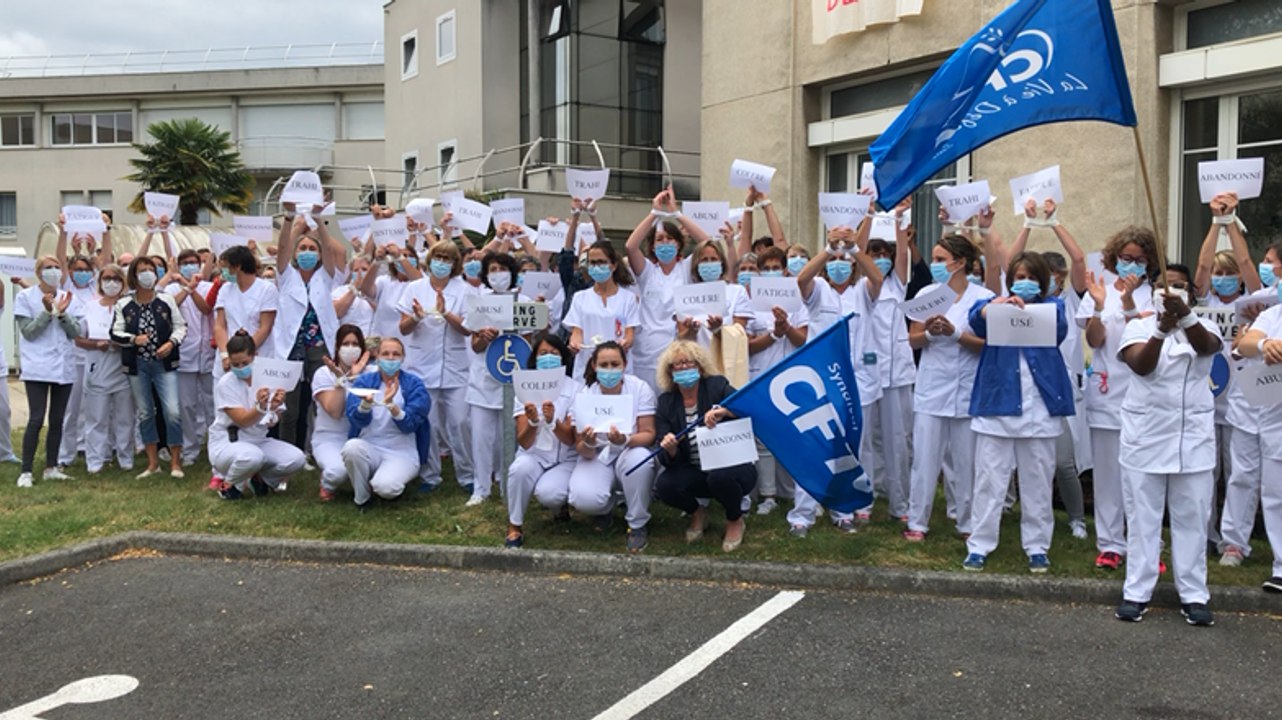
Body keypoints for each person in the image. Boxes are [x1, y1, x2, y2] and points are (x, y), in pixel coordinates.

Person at [1114, 286, 1222, 626]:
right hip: (1146, 438)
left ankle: (1194, 595)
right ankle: (1137, 591)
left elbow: (1207, 348)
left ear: (1188, 296)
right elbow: (1141, 366)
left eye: (1177, 290)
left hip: (1192, 440)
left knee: (1192, 518)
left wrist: (1186, 317)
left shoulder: (1206, 327)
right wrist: (1161, 329)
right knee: (1142, 518)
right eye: (1164, 290)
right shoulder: (1138, 329)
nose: (1170, 296)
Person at [963, 252, 1074, 572]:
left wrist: (1028, 310)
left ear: (1043, 281)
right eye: (1019, 277)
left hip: (1039, 409)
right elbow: (975, 321)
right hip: (998, 405)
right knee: (989, 479)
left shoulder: (1053, 307)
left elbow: (1059, 329)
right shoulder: (995, 304)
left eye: (1031, 278)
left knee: (1038, 480)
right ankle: (980, 543)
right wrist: (991, 308)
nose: (1024, 283)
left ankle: (1037, 545)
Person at [792, 220, 883, 535]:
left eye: (845, 261)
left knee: (849, 447)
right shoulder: (819, 291)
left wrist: (854, 247)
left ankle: (843, 509)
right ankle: (803, 513)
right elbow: (801, 278)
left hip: (856, 382)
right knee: (814, 445)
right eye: (834, 261)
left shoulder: (862, 293)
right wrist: (829, 248)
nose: (839, 265)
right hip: (821, 381)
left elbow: (877, 277)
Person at [1077, 226, 1159, 570]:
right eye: (1126, 258)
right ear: (1114, 258)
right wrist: (1098, 308)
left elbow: (1146, 340)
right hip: (1108, 396)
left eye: (1140, 260)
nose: (1132, 265)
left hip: (1145, 397)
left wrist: (1128, 304)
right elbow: (1095, 340)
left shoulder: (1156, 296)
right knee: (1109, 474)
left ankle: (1146, 546)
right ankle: (1110, 543)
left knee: (1143, 477)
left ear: (1150, 263)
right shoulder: (1100, 291)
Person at [903, 231, 992, 542]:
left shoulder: (982, 297)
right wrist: (929, 333)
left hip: (968, 388)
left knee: (966, 463)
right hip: (932, 387)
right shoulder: (928, 292)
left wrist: (955, 334)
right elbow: (911, 338)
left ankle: (966, 522)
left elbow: (988, 345)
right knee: (925, 460)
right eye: (935, 258)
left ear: (960, 263)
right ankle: (918, 521)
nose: (936, 264)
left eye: (941, 259)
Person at [654, 340, 756, 552]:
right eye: (677, 364)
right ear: (670, 371)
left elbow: (749, 407)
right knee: (664, 486)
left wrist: (725, 412)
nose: (683, 368)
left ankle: (735, 519)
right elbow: (664, 455)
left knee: (719, 477)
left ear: (700, 367)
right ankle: (698, 513)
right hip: (695, 470)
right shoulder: (666, 402)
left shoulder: (717, 386)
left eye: (689, 363)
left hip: (733, 468)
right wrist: (670, 448)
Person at [398, 239, 474, 494]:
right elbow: (403, 328)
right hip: (422, 365)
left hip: (456, 366)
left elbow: (468, 328)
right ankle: (430, 475)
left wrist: (447, 314)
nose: (442, 263)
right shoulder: (414, 288)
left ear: (454, 264)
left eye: (448, 259)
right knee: (427, 422)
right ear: (429, 260)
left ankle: (467, 474)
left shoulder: (465, 290)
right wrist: (417, 317)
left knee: (460, 422)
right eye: (438, 257)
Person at [568, 342, 657, 552]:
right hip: (597, 454)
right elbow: (580, 447)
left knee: (640, 462)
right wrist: (588, 442)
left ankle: (637, 523)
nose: (609, 370)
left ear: (625, 364)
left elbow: (649, 434)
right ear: (594, 365)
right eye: (604, 364)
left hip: (630, 449)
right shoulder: (584, 395)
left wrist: (624, 440)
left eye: (615, 364)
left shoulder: (639, 388)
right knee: (583, 498)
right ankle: (605, 509)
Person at [273, 207, 348, 451]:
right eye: (302, 249)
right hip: (291, 348)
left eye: (311, 249)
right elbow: (283, 248)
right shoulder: (286, 276)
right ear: (295, 254)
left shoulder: (325, 276)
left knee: (321, 403)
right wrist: (288, 219)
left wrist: (318, 221)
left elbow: (330, 249)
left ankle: (320, 453)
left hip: (319, 347)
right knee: (290, 408)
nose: (307, 252)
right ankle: (287, 456)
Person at [625, 187, 712, 391]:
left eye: (670, 239)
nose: (665, 243)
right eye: (659, 239)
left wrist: (676, 214)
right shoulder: (647, 271)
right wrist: (654, 213)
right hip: (647, 351)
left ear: (679, 243)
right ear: (652, 246)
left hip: (680, 349)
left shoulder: (688, 268)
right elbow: (630, 246)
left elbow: (708, 243)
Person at [745, 246, 808, 519]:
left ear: (785, 269)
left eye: (776, 267)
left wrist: (787, 328)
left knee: (793, 435)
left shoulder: (799, 298)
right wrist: (773, 334)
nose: (771, 271)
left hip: (791, 377)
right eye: (765, 267)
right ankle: (768, 495)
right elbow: (744, 345)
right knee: (762, 439)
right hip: (759, 375)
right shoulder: (749, 301)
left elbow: (803, 339)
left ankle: (794, 491)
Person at [110, 256, 187, 479]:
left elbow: (180, 327)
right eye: (142, 270)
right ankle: (152, 463)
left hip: (164, 363)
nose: (147, 274)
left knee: (172, 411)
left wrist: (170, 343)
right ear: (134, 275)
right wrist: (134, 339)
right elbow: (115, 332)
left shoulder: (166, 300)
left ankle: (175, 462)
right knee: (145, 413)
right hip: (137, 365)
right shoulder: (123, 304)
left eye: (150, 270)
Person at [208, 332, 307, 500]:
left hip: (259, 441)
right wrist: (261, 407)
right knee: (252, 456)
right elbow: (243, 420)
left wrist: (274, 409)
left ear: (255, 357)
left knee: (297, 459)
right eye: (235, 365)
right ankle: (229, 485)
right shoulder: (225, 384)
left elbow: (271, 423)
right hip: (228, 443)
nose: (240, 368)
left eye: (244, 363)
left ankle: (262, 480)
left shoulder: (269, 379)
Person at [464, 251, 528, 506]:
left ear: (511, 272)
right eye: (492, 269)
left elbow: (530, 341)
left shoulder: (524, 300)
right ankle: (481, 488)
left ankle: (507, 483)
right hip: (483, 379)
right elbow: (475, 346)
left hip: (513, 377)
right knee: (480, 436)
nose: (498, 273)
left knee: (508, 437)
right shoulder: (479, 301)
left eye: (503, 268)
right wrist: (483, 337)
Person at [505, 333, 581, 548]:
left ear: (563, 357)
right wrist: (533, 422)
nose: (549, 357)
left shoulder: (574, 388)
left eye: (554, 353)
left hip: (565, 458)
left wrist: (552, 421)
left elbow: (570, 439)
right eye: (543, 353)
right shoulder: (525, 385)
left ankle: (560, 508)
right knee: (519, 469)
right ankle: (514, 525)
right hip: (534, 454)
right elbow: (524, 442)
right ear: (535, 358)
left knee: (549, 494)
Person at [14, 256, 83, 487]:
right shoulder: (25, 297)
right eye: (48, 267)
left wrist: (62, 314)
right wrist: (47, 312)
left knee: (57, 419)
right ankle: (26, 471)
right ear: (38, 272)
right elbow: (29, 332)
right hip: (37, 367)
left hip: (63, 366)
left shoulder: (68, 297)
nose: (53, 271)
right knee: (35, 418)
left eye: (57, 267)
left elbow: (75, 332)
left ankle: (51, 467)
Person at [341, 337, 432, 508]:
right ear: (378, 357)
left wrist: (392, 406)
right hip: (370, 446)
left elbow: (411, 425)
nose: (390, 358)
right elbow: (355, 418)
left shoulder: (414, 384)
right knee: (351, 448)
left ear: (403, 358)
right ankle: (362, 498)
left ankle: (381, 484)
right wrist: (366, 404)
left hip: (401, 451)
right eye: (386, 354)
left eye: (396, 354)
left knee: (386, 488)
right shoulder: (364, 382)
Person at [1237, 293, 1282, 594]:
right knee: (1276, 493)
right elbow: (1245, 343)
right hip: (1276, 414)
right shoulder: (1274, 315)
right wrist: (1265, 344)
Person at [77, 265, 134, 474]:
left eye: (117, 279)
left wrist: (124, 343)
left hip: (123, 368)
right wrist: (96, 344)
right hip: (97, 367)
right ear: (100, 281)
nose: (112, 283)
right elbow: (78, 339)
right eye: (107, 278)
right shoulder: (90, 307)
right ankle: (95, 460)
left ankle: (125, 458)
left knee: (125, 417)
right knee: (96, 417)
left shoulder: (129, 306)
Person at [166, 249, 216, 466]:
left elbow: (206, 309)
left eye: (193, 262)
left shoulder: (209, 287)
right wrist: (185, 287)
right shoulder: (171, 288)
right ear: (178, 266)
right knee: (186, 406)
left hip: (208, 353)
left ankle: (216, 448)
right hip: (184, 354)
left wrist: (194, 288)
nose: (190, 266)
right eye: (185, 263)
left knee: (212, 404)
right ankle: (190, 450)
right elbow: (170, 307)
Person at [564, 241, 639, 379]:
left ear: (614, 265)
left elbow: (629, 333)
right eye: (592, 263)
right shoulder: (580, 297)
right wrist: (574, 344)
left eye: (601, 262)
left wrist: (625, 342)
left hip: (617, 368)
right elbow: (577, 331)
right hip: (587, 368)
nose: (596, 267)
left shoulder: (628, 299)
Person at [314, 324, 369, 501]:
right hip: (330, 437)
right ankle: (327, 482)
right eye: (346, 343)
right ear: (337, 347)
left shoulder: (371, 373)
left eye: (355, 344)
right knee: (338, 472)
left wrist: (356, 376)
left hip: (364, 437)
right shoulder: (323, 374)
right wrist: (341, 380)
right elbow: (335, 411)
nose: (351, 348)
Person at [214, 245, 278, 378]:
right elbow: (220, 325)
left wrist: (243, 356)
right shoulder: (225, 289)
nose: (223, 272)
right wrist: (226, 355)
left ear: (237, 266)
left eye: (225, 267)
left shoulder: (267, 289)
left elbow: (264, 327)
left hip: (257, 357)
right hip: (228, 360)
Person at [333, 256, 375, 336]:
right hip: (349, 340)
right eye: (356, 270)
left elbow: (385, 312)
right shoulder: (340, 291)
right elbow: (336, 312)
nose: (360, 273)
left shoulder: (379, 289)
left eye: (364, 269)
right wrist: (355, 289)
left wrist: (366, 293)